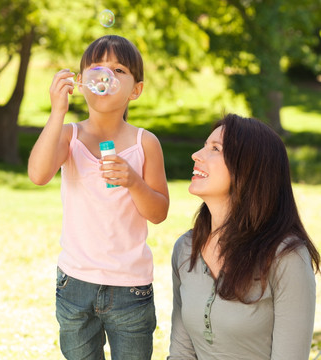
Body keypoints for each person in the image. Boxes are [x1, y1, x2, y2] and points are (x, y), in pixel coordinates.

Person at [28, 35, 169, 360]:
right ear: (81, 82)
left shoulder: (144, 143)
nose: (105, 77)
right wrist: (57, 111)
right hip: (75, 283)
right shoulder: (69, 136)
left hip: (129, 286)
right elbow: (38, 175)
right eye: (97, 69)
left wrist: (134, 182)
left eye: (119, 70)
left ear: (136, 89)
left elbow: (159, 212)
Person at [167, 113, 320, 360]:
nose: (196, 155)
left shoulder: (286, 257)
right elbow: (181, 352)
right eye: (204, 146)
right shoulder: (186, 249)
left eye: (215, 149)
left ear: (249, 169)